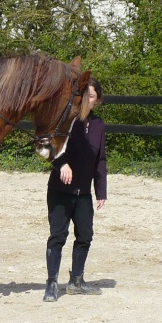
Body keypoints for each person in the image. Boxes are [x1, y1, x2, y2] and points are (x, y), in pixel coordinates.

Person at [43, 77, 107, 302]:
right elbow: (47, 149)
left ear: (97, 99)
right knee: (58, 236)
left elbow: (100, 160)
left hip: (84, 194)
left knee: (85, 236)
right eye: (84, 95)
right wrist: (62, 164)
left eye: (92, 96)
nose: (87, 100)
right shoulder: (67, 121)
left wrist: (101, 191)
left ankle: (76, 281)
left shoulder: (98, 125)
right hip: (60, 191)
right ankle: (52, 283)